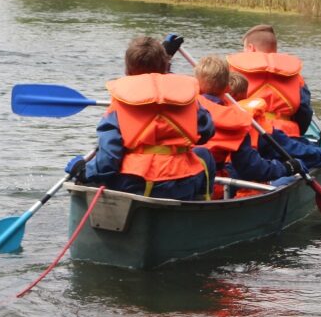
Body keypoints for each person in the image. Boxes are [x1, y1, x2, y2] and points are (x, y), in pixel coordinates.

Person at [65, 36, 216, 201]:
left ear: (127, 71)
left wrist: (84, 171)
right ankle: (201, 207)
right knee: (204, 155)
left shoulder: (120, 102)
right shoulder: (187, 98)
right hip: (183, 182)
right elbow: (206, 132)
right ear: (165, 67)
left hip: (136, 183)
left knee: (93, 177)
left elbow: (109, 158)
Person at [193, 56, 303, 195]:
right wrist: (286, 168)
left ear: (196, 84)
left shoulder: (179, 108)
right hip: (215, 189)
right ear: (227, 87)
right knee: (285, 179)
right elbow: (250, 167)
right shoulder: (236, 119)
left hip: (172, 181)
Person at [227, 24, 313, 137]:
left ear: (250, 48)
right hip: (286, 136)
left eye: (244, 48)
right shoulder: (295, 76)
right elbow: (304, 112)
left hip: (247, 133)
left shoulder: (232, 70)